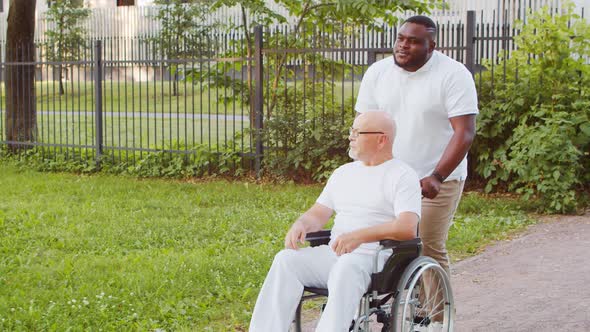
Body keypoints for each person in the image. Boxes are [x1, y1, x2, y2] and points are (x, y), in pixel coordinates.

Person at [249, 112, 422, 332]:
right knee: (286, 260)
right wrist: (301, 224)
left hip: (376, 259)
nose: (351, 137)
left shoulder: (402, 175)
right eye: (352, 131)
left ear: (381, 139)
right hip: (336, 254)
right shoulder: (343, 173)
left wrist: (359, 236)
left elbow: (406, 228)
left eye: (358, 132)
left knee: (346, 267)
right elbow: (318, 214)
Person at [355, 15, 478, 279]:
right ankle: (393, 310)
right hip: (388, 177)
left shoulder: (454, 75)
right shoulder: (378, 72)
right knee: (376, 244)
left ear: (431, 46)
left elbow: (464, 132)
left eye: (413, 41)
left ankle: (436, 317)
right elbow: (364, 125)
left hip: (435, 179)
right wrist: (362, 168)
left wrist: (437, 176)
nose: (403, 45)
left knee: (427, 247)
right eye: (400, 38)